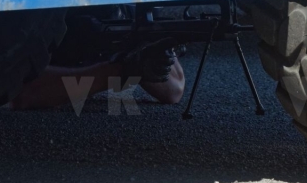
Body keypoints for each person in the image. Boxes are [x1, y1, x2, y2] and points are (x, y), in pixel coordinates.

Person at [12, 7, 186, 110]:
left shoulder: (121, 9)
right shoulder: (35, 12)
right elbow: (21, 93)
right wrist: (120, 71)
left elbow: (173, 90)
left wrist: (146, 50)